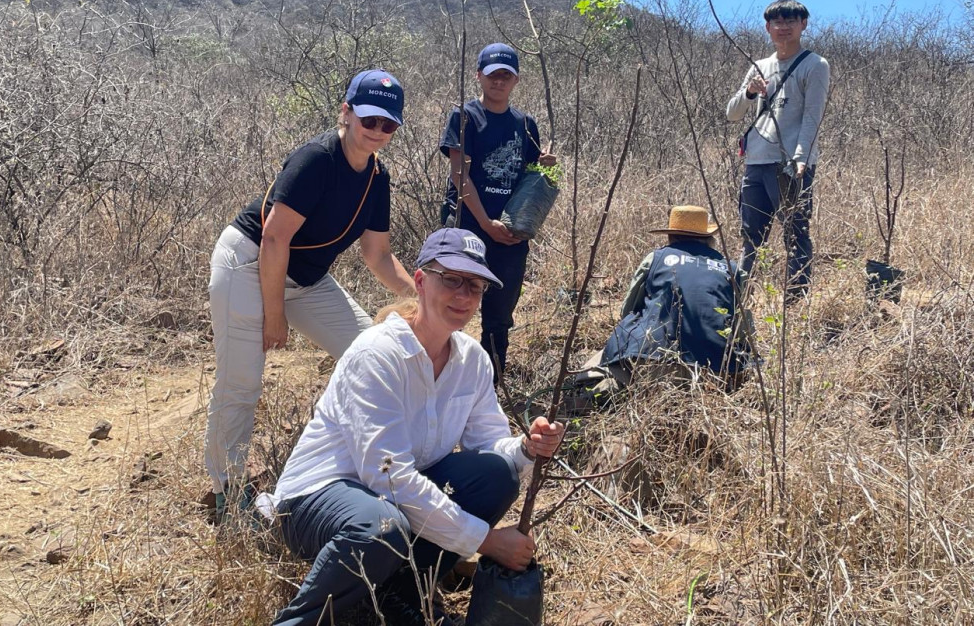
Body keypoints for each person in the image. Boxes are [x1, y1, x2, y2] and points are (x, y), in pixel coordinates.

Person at [255, 227, 565, 626]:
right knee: (381, 526)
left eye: (475, 286)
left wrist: (526, 447)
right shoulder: (378, 353)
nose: (463, 295)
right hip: (316, 501)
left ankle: (397, 595)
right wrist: (487, 541)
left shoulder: (471, 360)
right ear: (420, 280)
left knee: (497, 474)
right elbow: (388, 477)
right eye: (451, 279)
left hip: (388, 505)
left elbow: (489, 445)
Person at [205, 69, 416, 518]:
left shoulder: (377, 178)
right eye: (369, 119)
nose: (377, 130)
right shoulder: (317, 159)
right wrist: (274, 315)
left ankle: (360, 461)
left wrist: (423, 297)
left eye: (388, 124)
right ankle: (229, 492)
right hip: (249, 263)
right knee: (242, 382)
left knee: (370, 351)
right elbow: (274, 238)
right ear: (346, 112)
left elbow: (378, 255)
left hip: (305, 278)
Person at [439, 43, 554, 380]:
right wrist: (486, 224)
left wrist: (546, 167)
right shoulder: (465, 117)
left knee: (499, 315)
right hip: (468, 226)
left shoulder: (525, 124)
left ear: (516, 80)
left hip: (509, 235)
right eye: (492, 74)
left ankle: (491, 383)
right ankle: (442, 376)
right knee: (450, 306)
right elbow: (459, 175)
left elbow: (531, 180)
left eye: (506, 75)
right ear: (479, 75)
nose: (499, 81)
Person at [566, 206, 753, 411]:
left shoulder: (656, 258)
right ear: (710, 238)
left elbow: (627, 311)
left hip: (652, 363)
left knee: (623, 339)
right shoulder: (732, 269)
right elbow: (745, 331)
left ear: (671, 237)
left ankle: (596, 394)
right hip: (715, 373)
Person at [725, 0, 830, 303]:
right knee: (751, 238)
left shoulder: (815, 64)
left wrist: (801, 158)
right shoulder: (760, 66)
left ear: (803, 25)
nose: (783, 28)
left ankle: (795, 303)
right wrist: (749, 91)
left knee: (795, 234)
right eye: (777, 22)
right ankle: (741, 299)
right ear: (768, 27)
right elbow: (732, 113)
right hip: (756, 162)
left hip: (789, 165)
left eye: (790, 21)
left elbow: (812, 116)